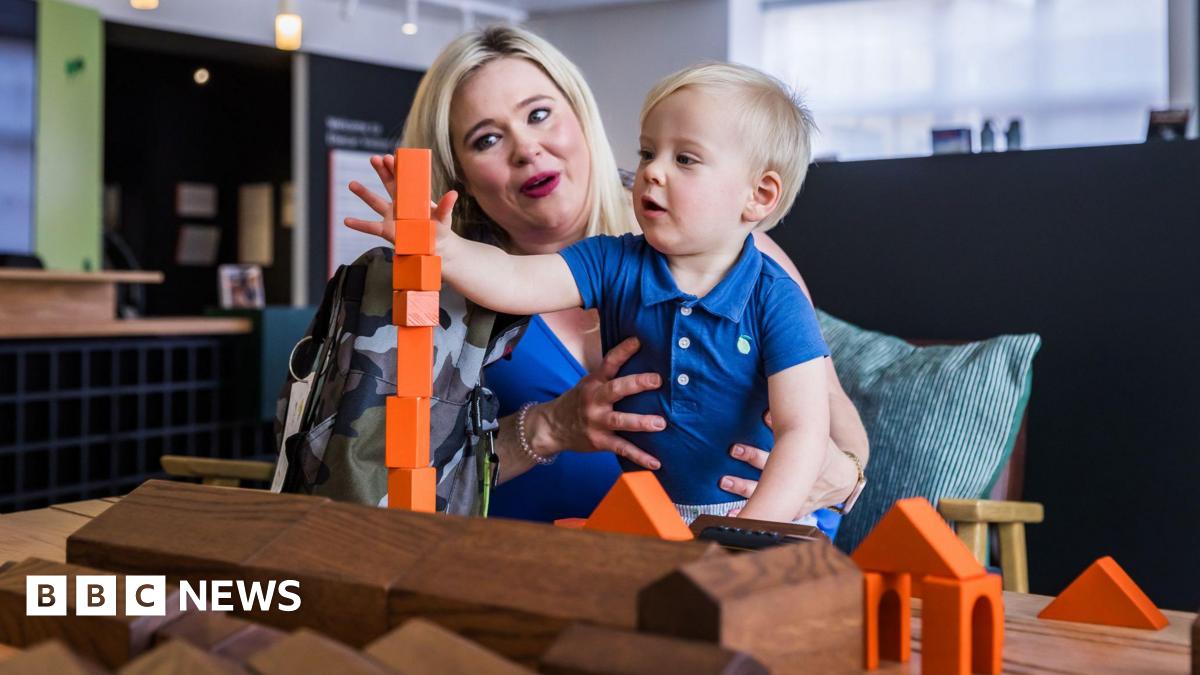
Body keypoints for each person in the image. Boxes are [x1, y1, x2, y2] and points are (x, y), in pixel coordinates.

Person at [344, 26, 868, 530]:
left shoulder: (761, 276)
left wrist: (839, 478)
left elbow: (827, 422)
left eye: (540, 114)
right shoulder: (567, 269)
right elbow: (393, 486)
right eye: (486, 139)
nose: (526, 148)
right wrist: (442, 248)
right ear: (459, 172)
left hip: (749, 528)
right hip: (567, 554)